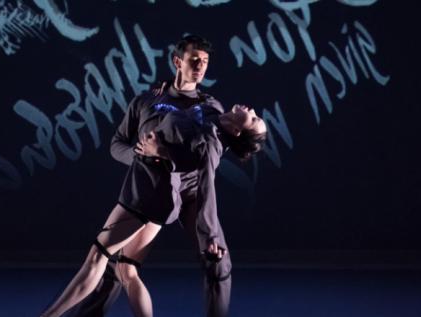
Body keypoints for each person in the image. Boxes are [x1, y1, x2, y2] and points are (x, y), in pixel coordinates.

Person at [41, 99, 266, 317]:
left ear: (237, 131)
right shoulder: (212, 111)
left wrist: (209, 237)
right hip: (149, 189)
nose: (252, 110)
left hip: (148, 197)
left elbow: (206, 189)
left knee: (96, 259)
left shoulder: (211, 144)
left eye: (253, 119)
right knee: (126, 270)